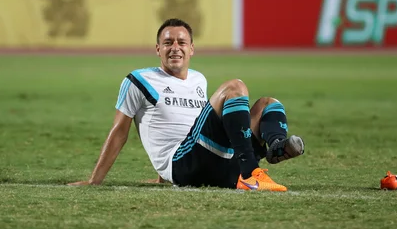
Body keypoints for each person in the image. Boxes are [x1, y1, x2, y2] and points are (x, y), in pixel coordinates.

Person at [68, 18, 304, 191]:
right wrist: (95, 180)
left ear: (191, 49)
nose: (175, 47)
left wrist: (161, 178)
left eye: (181, 42)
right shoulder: (138, 81)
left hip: (220, 166)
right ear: (158, 49)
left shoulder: (198, 80)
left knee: (268, 104)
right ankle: (252, 171)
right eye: (168, 42)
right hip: (184, 166)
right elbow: (120, 131)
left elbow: (187, 125)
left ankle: (275, 147)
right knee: (235, 87)